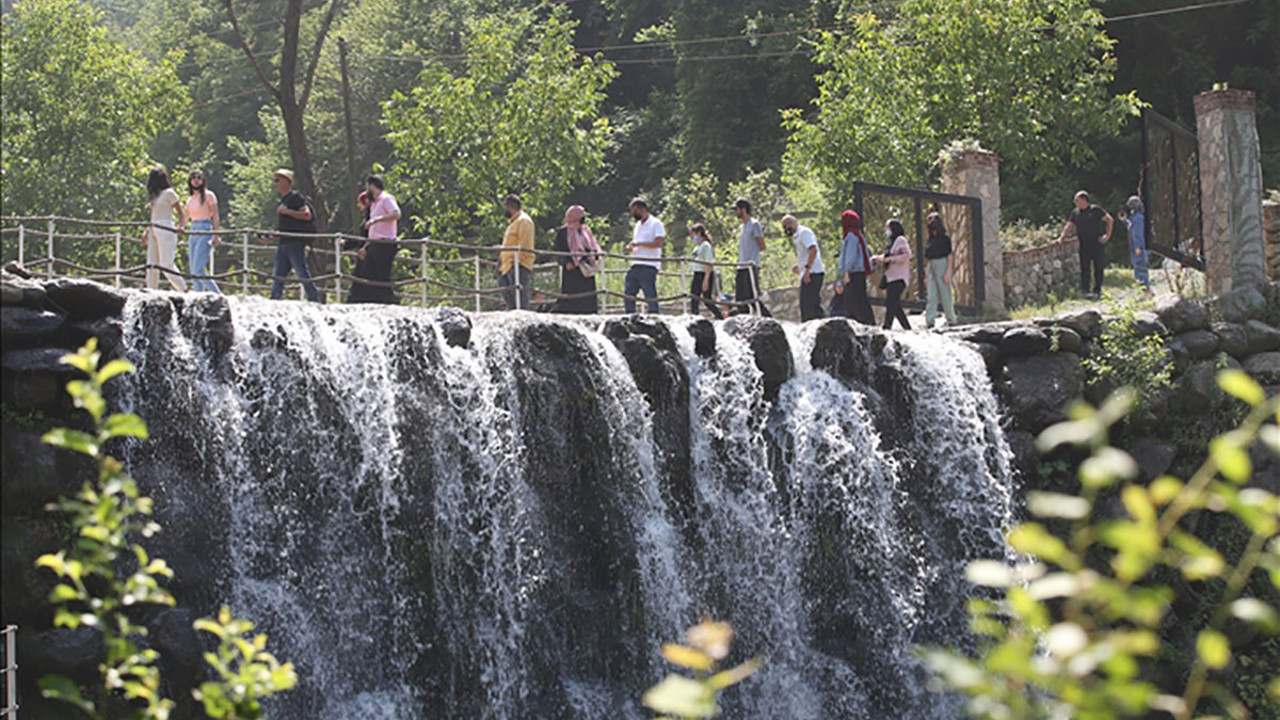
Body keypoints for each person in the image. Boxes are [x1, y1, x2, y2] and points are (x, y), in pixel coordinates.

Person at [269, 168, 320, 302]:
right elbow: (287, 226)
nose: (275, 184)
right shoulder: (284, 200)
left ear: (286, 181)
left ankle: (315, 299)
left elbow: (306, 215)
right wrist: (273, 236)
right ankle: (274, 300)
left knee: (302, 272)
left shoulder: (296, 197)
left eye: (278, 180)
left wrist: (287, 212)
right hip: (284, 242)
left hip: (295, 242)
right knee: (278, 275)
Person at [1056, 190, 1113, 298]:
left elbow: (1109, 220)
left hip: (1096, 243)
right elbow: (1069, 226)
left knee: (1098, 267)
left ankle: (1097, 290)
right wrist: (1061, 238)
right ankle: (1085, 289)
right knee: (1084, 267)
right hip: (1083, 243)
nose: (1075, 202)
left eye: (1077, 200)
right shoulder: (1075, 212)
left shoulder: (1095, 210)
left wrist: (1107, 236)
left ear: (1083, 200)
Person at [354, 174, 401, 305]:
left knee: (382, 275)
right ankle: (372, 302)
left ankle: (391, 302)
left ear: (372, 185)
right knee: (368, 273)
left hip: (385, 243)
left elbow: (396, 213)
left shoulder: (386, 199)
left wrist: (377, 219)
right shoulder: (374, 204)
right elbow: (374, 232)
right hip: (374, 243)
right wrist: (364, 247)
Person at [141, 166, 188, 292]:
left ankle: (183, 288)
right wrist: (147, 231)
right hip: (154, 228)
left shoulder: (169, 193)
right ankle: (151, 290)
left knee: (166, 263)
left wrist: (181, 226)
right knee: (152, 263)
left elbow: (180, 212)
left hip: (165, 227)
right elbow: (153, 215)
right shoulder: (155, 196)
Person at [552, 204, 601, 315]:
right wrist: (567, 262)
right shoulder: (564, 232)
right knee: (572, 299)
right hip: (572, 271)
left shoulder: (585, 231)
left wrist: (592, 257)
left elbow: (592, 246)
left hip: (585, 270)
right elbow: (559, 250)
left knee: (588, 298)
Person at [834, 210, 875, 324]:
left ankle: (864, 324)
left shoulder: (851, 236)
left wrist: (847, 271)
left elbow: (851, 255)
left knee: (854, 301)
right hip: (858, 273)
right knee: (857, 300)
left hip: (854, 273)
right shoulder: (858, 235)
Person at [731, 198, 770, 316]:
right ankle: (744, 319)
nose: (735, 212)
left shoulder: (754, 224)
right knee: (740, 298)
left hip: (750, 265)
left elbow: (762, 245)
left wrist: (752, 255)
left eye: (736, 209)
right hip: (741, 266)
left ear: (743, 209)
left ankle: (768, 318)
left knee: (751, 296)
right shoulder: (742, 227)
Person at [624, 198, 664, 314]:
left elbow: (659, 243)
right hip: (636, 263)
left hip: (649, 264)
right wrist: (632, 246)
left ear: (644, 209)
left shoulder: (656, 224)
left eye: (636, 211)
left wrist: (640, 244)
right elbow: (636, 241)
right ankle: (630, 316)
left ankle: (654, 316)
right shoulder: (637, 225)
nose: (634, 214)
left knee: (650, 294)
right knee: (628, 292)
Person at [184, 168, 220, 293]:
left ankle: (217, 294)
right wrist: (179, 228)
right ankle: (198, 296)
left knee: (199, 269)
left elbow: (215, 216)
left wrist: (216, 235)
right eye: (193, 178)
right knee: (193, 271)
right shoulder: (190, 199)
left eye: (199, 178)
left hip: (205, 228)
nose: (196, 180)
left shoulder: (209, 195)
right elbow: (185, 218)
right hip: (193, 229)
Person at [783, 215, 824, 321]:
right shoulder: (797, 236)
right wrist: (800, 266)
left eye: (786, 226)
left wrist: (807, 269)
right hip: (808, 271)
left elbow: (813, 250)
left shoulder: (804, 233)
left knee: (810, 307)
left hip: (813, 273)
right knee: (806, 306)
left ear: (791, 223)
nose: (786, 229)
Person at [873, 218, 912, 330]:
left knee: (893, 302)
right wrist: (877, 258)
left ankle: (902, 327)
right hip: (891, 277)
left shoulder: (901, 240)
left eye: (888, 228)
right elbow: (887, 256)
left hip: (899, 277)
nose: (886, 231)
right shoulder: (892, 242)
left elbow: (906, 255)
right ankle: (889, 326)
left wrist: (891, 259)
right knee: (892, 303)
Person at [498, 193, 535, 311]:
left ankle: (523, 314)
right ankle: (513, 311)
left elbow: (525, 242)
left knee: (520, 293)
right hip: (507, 264)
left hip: (517, 263)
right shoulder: (514, 222)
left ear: (510, 206)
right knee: (504, 286)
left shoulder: (523, 221)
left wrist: (518, 259)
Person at [923, 212, 957, 328]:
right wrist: (926, 276)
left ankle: (951, 319)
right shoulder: (930, 239)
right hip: (932, 265)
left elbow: (949, 255)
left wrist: (948, 271)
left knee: (945, 293)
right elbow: (928, 258)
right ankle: (930, 321)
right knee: (931, 295)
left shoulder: (945, 238)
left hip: (942, 264)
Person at [688, 223, 723, 320]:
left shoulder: (706, 246)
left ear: (699, 233)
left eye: (693, 234)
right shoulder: (697, 247)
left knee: (707, 299)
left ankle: (720, 316)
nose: (691, 236)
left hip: (704, 274)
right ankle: (695, 318)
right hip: (697, 273)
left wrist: (706, 279)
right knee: (694, 298)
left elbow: (709, 263)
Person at [1118, 195, 1151, 294]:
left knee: (1141, 267)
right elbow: (1131, 228)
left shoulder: (1139, 218)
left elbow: (1138, 235)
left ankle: (1145, 289)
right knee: (1137, 267)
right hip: (1134, 246)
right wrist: (1124, 220)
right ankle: (1143, 289)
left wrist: (1138, 248)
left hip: (1138, 247)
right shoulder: (1135, 217)